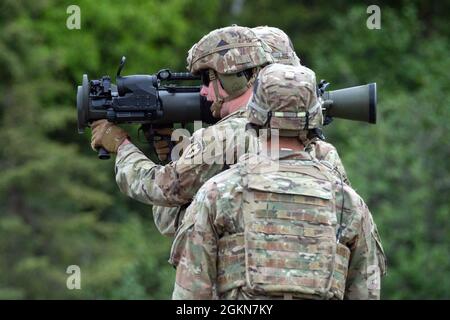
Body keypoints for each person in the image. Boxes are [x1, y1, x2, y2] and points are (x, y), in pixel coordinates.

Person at [90, 25, 349, 237]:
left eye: (209, 79)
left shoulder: (224, 137)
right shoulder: (323, 151)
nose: (204, 91)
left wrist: (122, 146)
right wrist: (175, 153)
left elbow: (165, 195)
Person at [170, 63, 387, 300]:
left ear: (254, 115)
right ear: (315, 118)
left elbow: (190, 298)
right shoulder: (349, 203)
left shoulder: (218, 193)